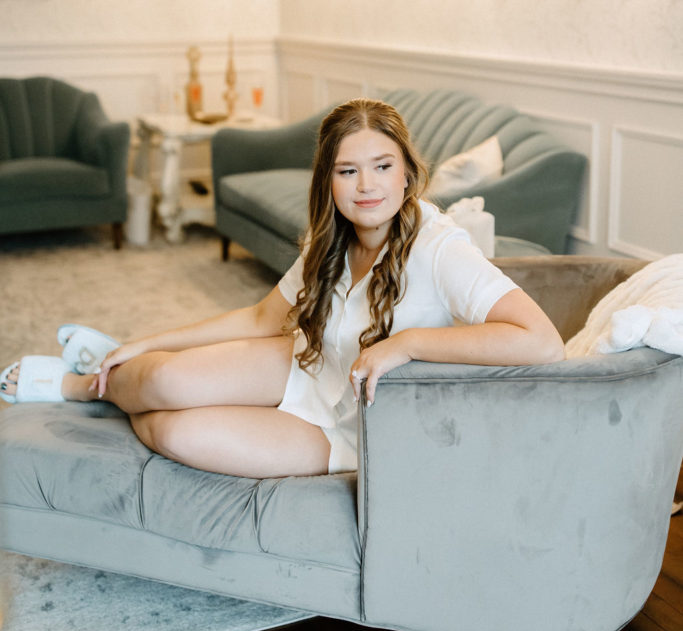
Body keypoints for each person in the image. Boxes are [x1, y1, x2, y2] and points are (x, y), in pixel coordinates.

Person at [0, 98, 564, 477]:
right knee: (164, 374)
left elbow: (541, 340)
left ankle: (115, 387)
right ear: (329, 180)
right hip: (306, 364)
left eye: (382, 166)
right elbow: (261, 318)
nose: (367, 186)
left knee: (171, 431)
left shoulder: (441, 247)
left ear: (408, 171)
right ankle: (82, 381)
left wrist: (407, 343)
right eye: (347, 171)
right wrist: (148, 343)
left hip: (345, 430)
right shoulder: (333, 236)